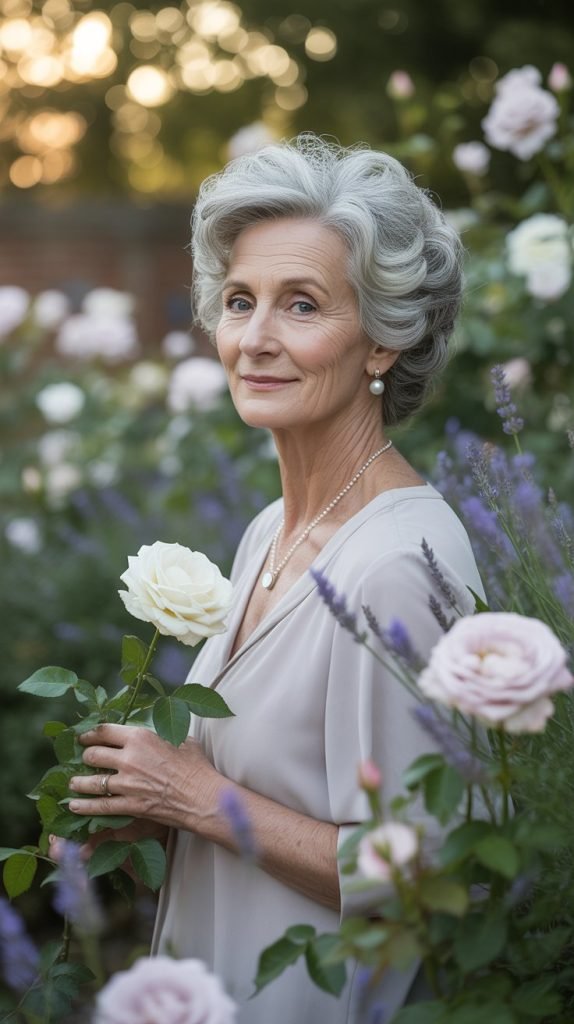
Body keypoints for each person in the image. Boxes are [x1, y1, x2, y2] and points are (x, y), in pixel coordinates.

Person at [66, 136, 484, 1022]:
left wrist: (197, 796)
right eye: (239, 301)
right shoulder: (270, 531)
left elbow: (428, 873)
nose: (254, 340)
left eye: (302, 305)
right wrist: (152, 810)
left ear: (383, 340)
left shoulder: (397, 569)